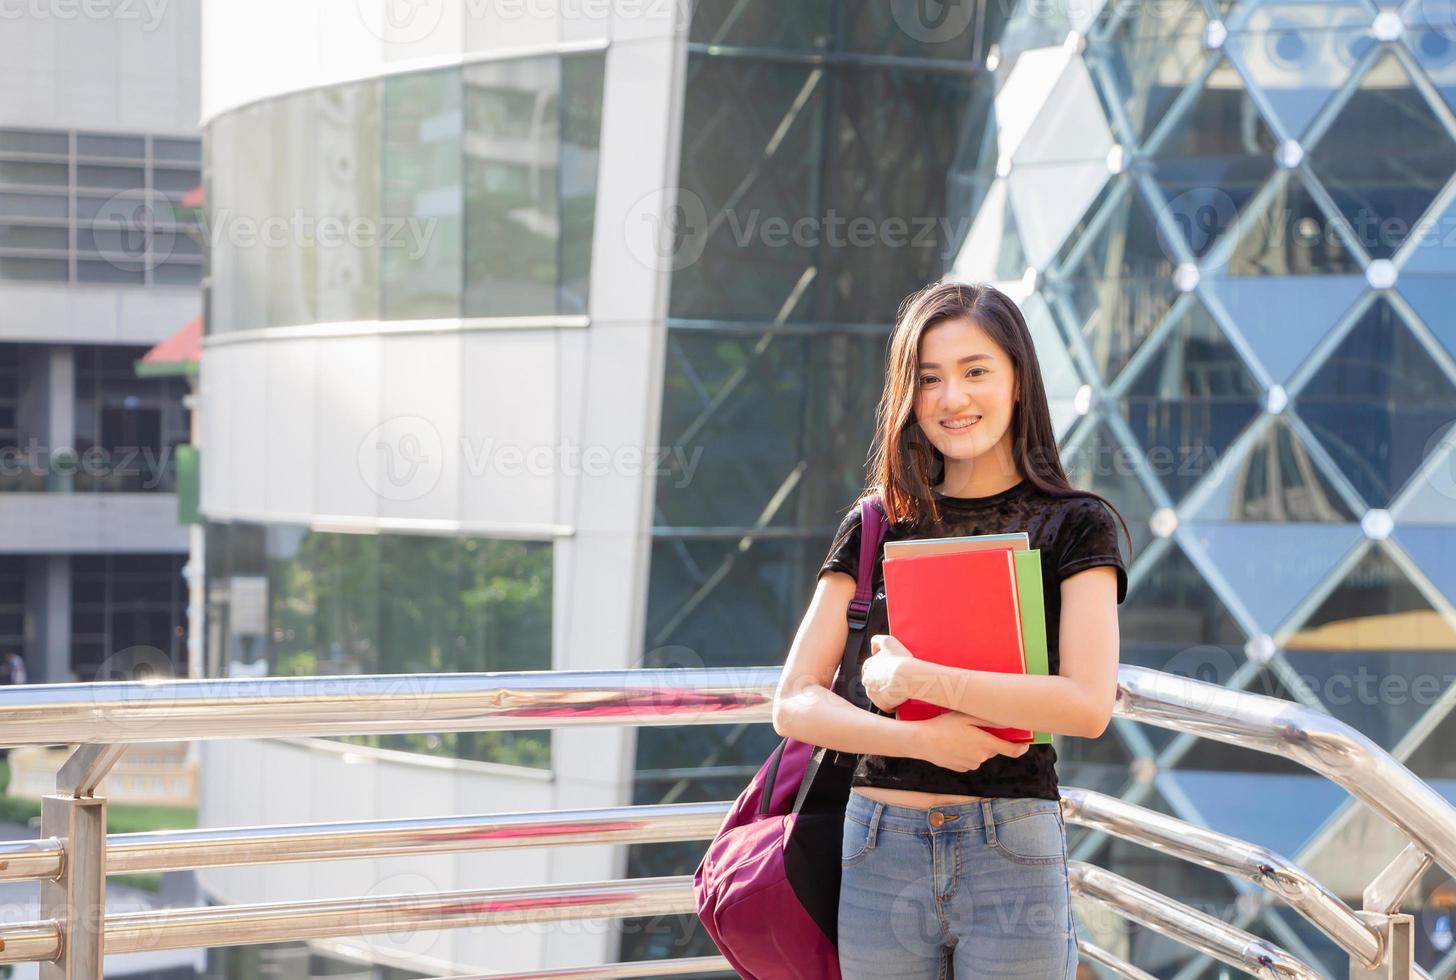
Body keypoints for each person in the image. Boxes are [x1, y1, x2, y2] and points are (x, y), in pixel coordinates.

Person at [772, 281, 1129, 979]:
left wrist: (921, 682)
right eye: (929, 379)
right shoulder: (878, 522)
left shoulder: (1077, 523)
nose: (951, 399)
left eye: (975, 372)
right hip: (879, 845)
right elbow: (793, 702)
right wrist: (919, 737)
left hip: (1012, 851)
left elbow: (1088, 706)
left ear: (1019, 381)